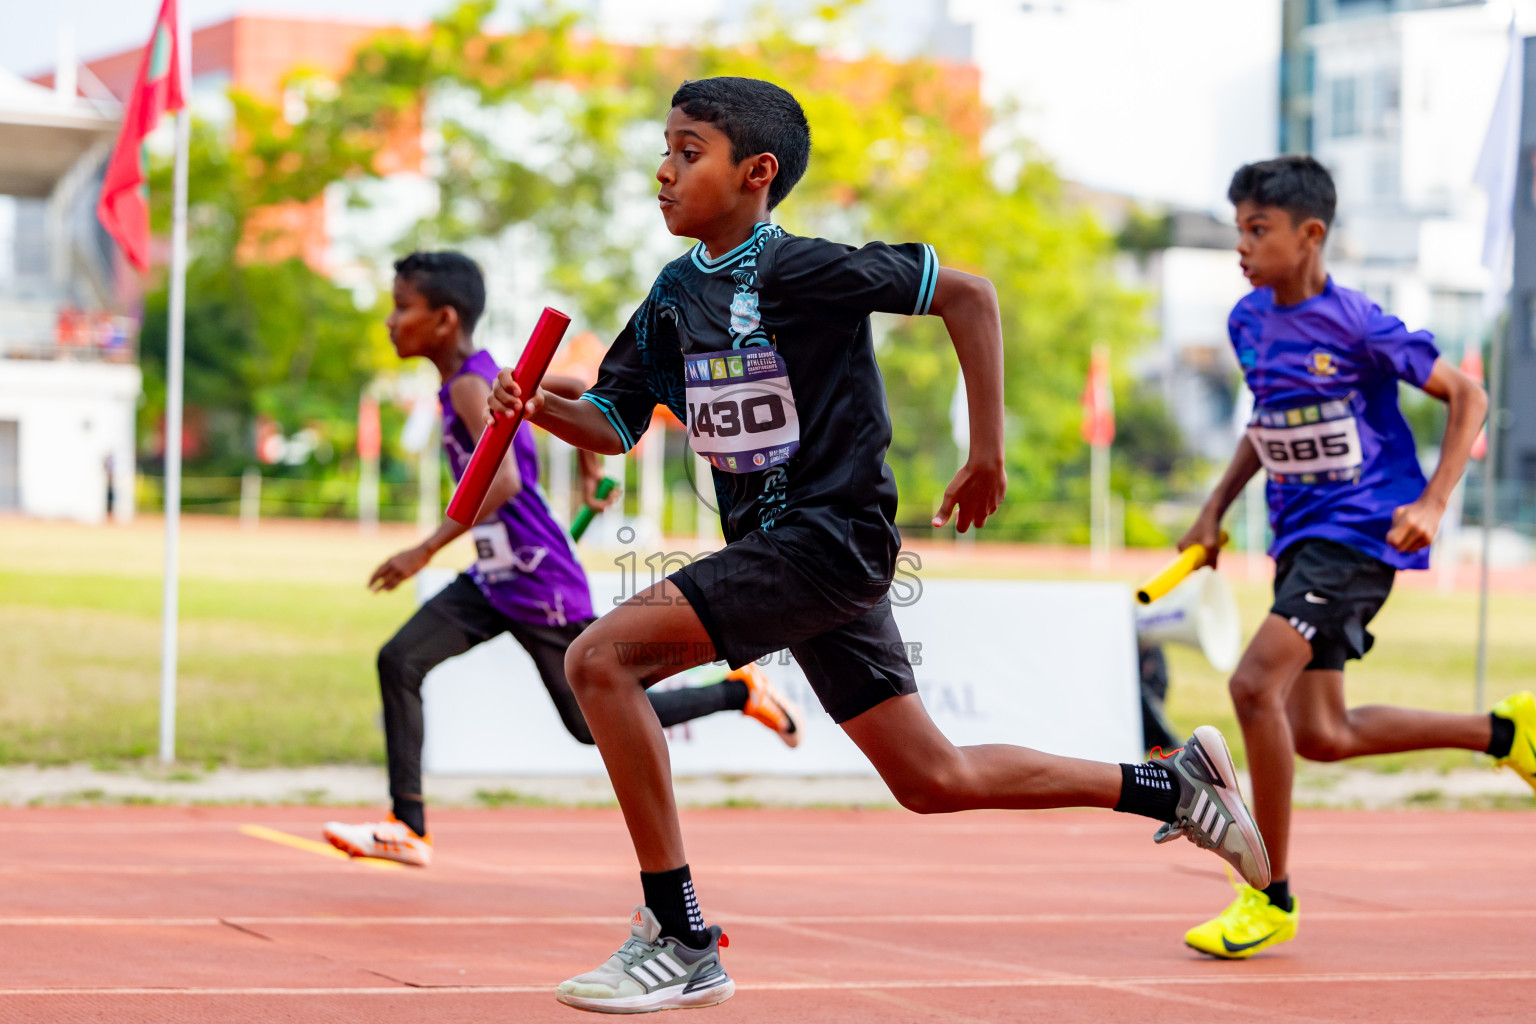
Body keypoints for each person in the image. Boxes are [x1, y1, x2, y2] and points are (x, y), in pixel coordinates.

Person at [489, 77, 1270, 1014]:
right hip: (794, 557)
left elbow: (970, 297)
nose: (663, 172)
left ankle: (681, 933)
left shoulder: (804, 270)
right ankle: (1172, 787)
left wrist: (987, 454)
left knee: (600, 662)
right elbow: (616, 421)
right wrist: (542, 409)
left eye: (688, 152)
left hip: (826, 541)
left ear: (756, 173)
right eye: (662, 150)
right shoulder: (673, 294)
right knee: (930, 778)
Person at [321, 251, 805, 868]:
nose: (391, 321)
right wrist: (588, 474)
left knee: (590, 718)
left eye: (401, 307)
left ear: (444, 319)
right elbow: (576, 389)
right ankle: (407, 825)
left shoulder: (473, 384)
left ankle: (738, 693)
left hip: (537, 577)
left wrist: (422, 551)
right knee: (400, 660)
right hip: (497, 577)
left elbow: (498, 488)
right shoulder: (481, 377)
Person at [1176, 154, 1535, 960]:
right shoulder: (1247, 321)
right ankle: (1506, 731)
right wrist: (1213, 508)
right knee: (1323, 733)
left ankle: (1267, 894)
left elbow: (1468, 396)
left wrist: (1435, 502)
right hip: (1298, 536)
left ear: (1311, 235)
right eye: (1237, 228)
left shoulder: (1360, 323)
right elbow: (1268, 425)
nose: (1242, 244)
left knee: (1251, 683)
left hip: (1362, 531)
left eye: (1257, 229)